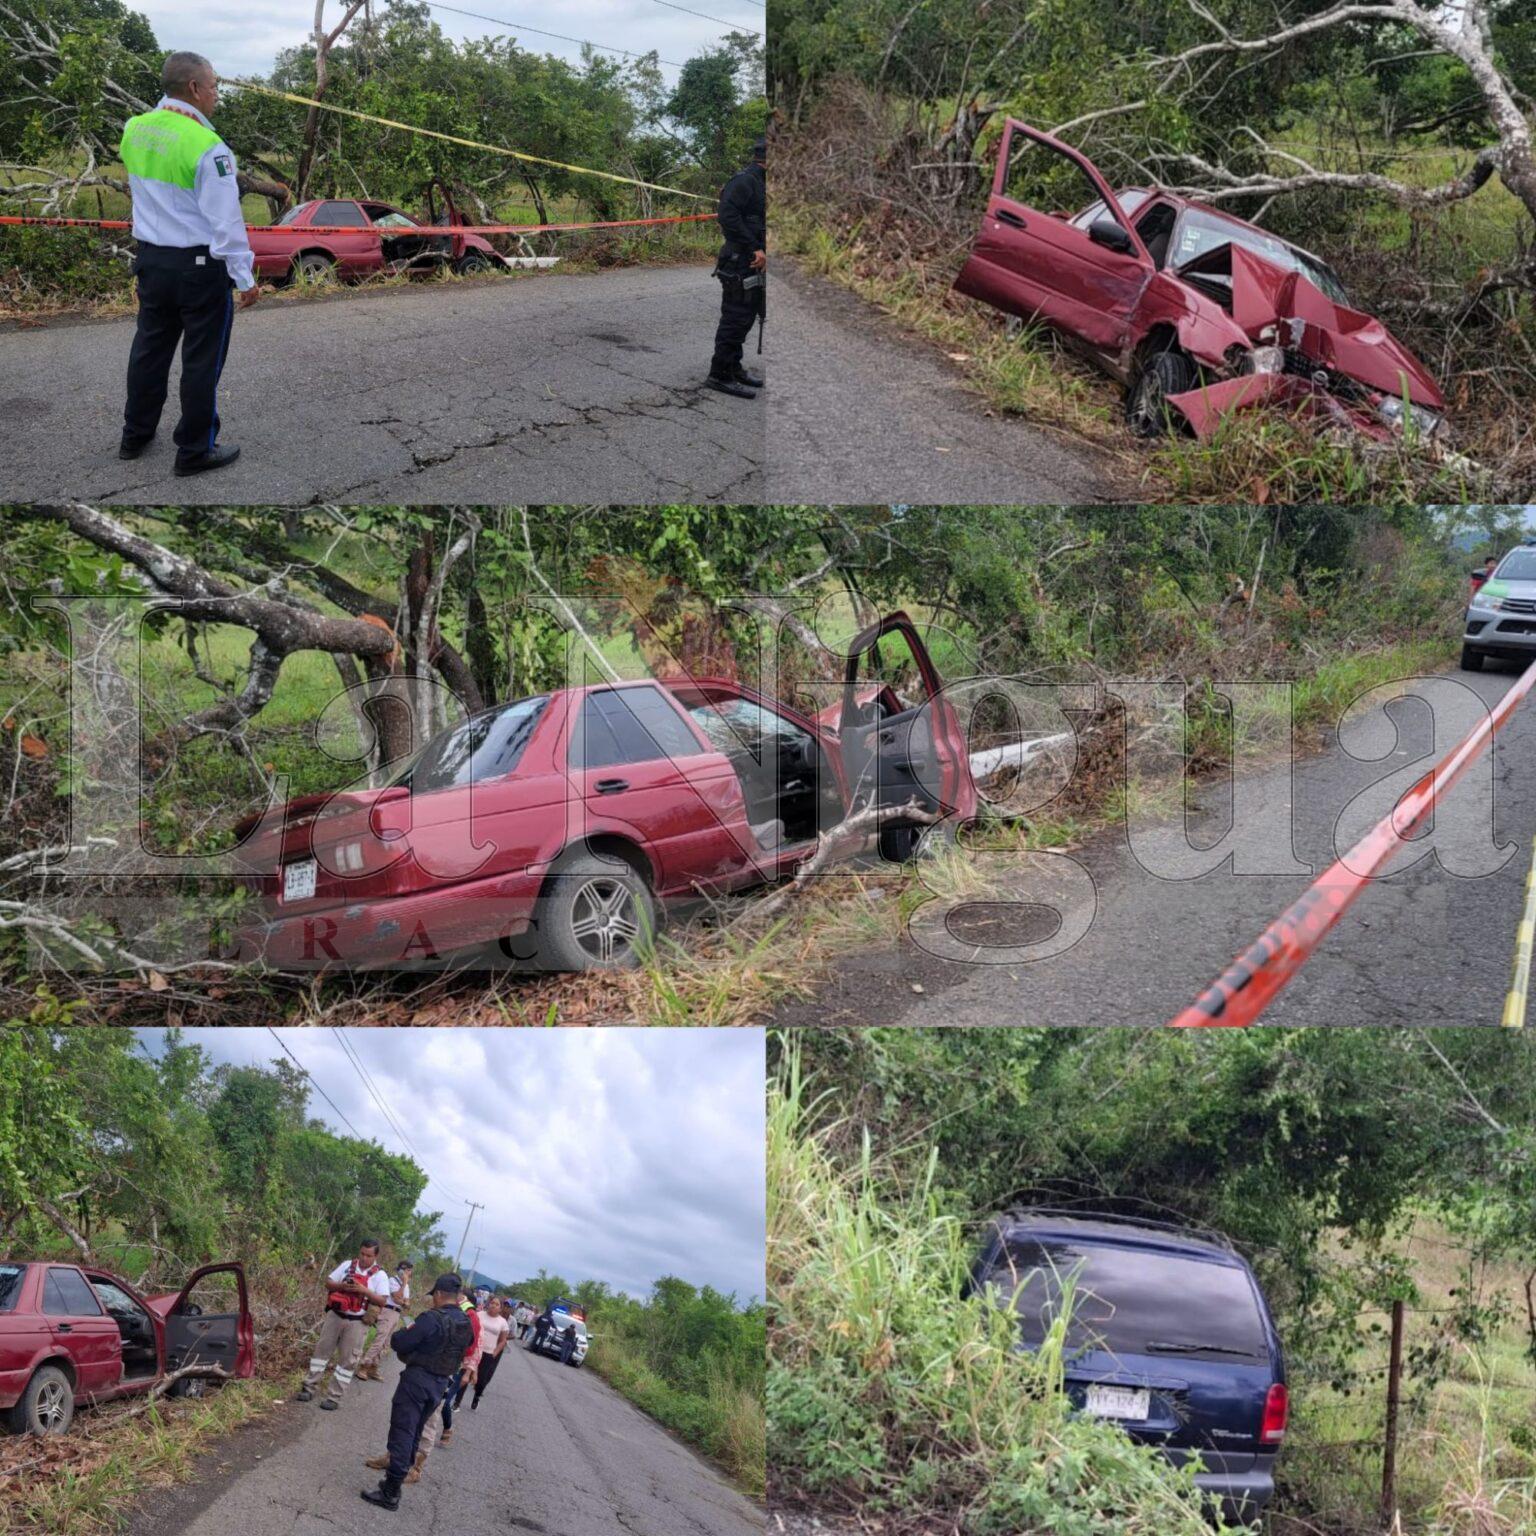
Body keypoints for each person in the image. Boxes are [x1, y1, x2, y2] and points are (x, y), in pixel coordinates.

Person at [117, 50, 259, 475]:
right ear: (195, 89)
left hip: (151, 260)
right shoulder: (208, 146)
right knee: (202, 359)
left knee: (149, 350)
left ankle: (134, 436)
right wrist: (245, 277)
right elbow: (227, 224)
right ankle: (195, 450)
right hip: (199, 269)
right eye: (214, 86)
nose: (216, 95)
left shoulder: (135, 129)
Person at [360, 1274, 475, 1511]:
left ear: (440, 1294)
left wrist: (410, 1331)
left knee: (403, 1431)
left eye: (434, 1295)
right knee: (414, 1433)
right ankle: (396, 1480)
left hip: (418, 1381)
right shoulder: (465, 1322)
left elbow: (400, 1342)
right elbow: (466, 1348)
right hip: (440, 1384)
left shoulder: (431, 1319)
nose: (433, 1299)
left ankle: (391, 1491)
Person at [706, 136, 767, 400]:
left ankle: (733, 366)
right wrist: (754, 247)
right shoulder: (744, 181)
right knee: (735, 317)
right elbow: (727, 216)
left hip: (751, 260)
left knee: (746, 316)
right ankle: (719, 374)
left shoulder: (760, 182)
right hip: (739, 259)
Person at [298, 1239, 391, 1408]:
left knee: (348, 1360)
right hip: (335, 1316)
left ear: (375, 1256)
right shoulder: (347, 1265)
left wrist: (364, 1290)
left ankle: (334, 1397)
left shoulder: (380, 1276)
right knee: (321, 1352)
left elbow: (382, 1301)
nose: (364, 1258)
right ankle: (309, 1387)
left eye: (368, 1255)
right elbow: (328, 1283)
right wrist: (342, 1286)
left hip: (358, 1322)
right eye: (362, 1253)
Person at [356, 1259, 413, 1382]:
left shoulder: (407, 1286)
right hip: (387, 1311)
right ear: (401, 1271)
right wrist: (403, 1285)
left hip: (397, 1313)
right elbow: (397, 1298)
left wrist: (403, 1301)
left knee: (386, 1343)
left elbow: (407, 1303)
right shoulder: (392, 1281)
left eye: (410, 1271)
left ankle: (373, 1367)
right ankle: (364, 1366)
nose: (409, 1273)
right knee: (379, 1340)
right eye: (407, 1270)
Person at [455, 1296, 509, 1410]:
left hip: (488, 1354)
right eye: (492, 1303)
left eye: (497, 1304)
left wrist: (495, 1352)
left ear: (500, 1308)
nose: (493, 1306)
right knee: (466, 1374)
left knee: (481, 1380)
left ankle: (477, 1396)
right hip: (474, 1351)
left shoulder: (503, 1322)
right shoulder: (479, 1315)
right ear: (488, 1304)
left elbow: (503, 1341)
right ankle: (457, 1403)